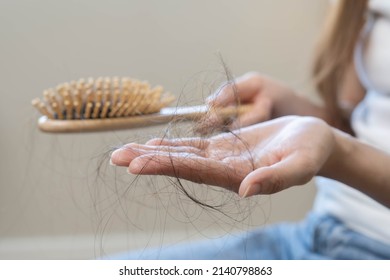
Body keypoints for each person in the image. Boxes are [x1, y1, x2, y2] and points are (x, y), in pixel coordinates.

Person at [110, 0, 390, 259]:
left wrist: (341, 155)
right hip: (320, 232)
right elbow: (364, 128)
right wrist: (290, 107)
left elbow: (342, 147)